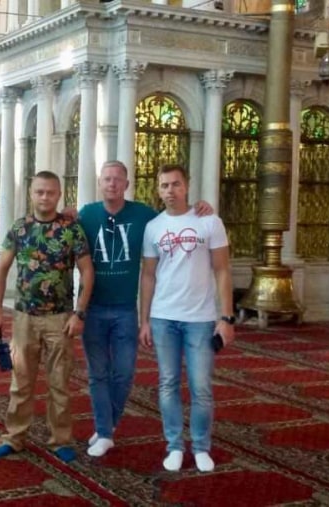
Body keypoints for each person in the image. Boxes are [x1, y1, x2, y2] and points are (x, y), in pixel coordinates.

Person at [76, 160, 213, 457]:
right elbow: (63, 230)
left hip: (126, 309)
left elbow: (175, 217)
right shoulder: (86, 214)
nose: (112, 184)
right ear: (100, 183)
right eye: (107, 179)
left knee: (124, 374)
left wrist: (200, 206)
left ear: (127, 184)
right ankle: (104, 431)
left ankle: (105, 426)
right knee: (97, 374)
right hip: (93, 308)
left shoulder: (145, 217)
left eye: (118, 179)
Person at [0, 170, 95, 463]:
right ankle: (13, 437)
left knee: (59, 382)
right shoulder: (20, 228)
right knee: (20, 381)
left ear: (59, 195)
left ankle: (60, 439)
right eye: (39, 192)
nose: (45, 197)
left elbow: (87, 272)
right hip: (24, 318)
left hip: (60, 319)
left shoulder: (71, 229)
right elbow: (1, 270)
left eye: (50, 192)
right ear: (31, 194)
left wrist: (80, 313)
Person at [139, 164, 235, 473]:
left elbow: (222, 270)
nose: (169, 190)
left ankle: (201, 446)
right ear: (158, 189)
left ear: (187, 186)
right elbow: (149, 276)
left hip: (200, 319)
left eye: (175, 184)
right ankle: (175, 446)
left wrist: (226, 317)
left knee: (201, 386)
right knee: (167, 383)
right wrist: (144, 320)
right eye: (164, 185)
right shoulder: (153, 227)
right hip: (164, 317)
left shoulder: (209, 222)